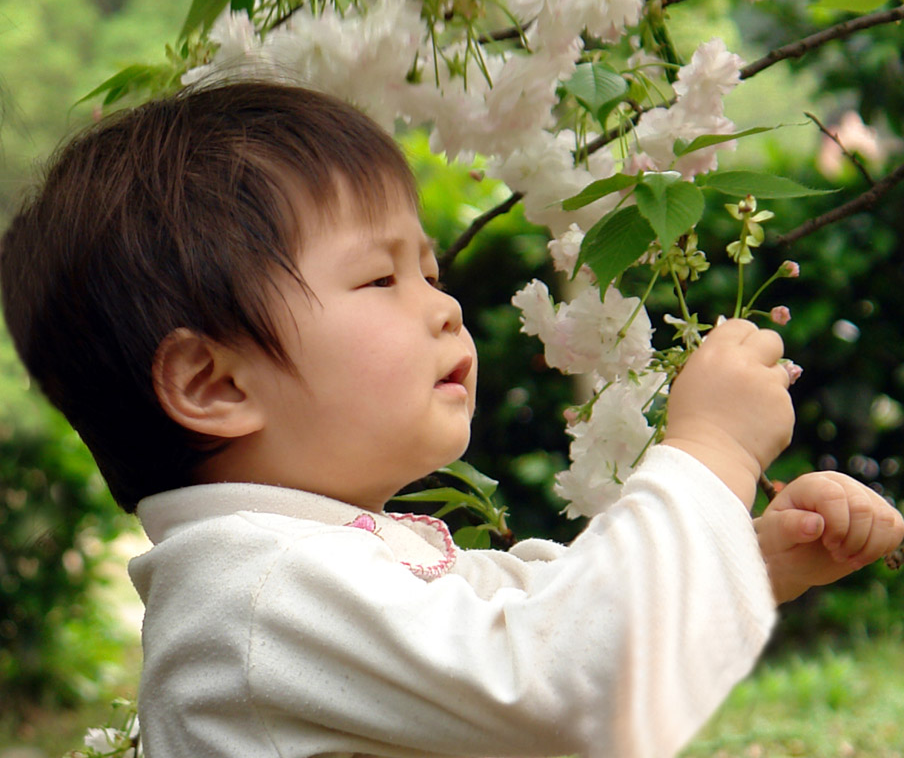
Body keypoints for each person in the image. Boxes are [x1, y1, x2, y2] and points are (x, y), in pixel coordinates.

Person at [1, 81, 901, 758]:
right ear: (214, 382)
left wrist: (745, 558)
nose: (442, 306)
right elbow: (561, 681)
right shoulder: (258, 593)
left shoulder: (311, 567)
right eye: (381, 278)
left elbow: (542, 608)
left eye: (430, 271)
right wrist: (708, 451)